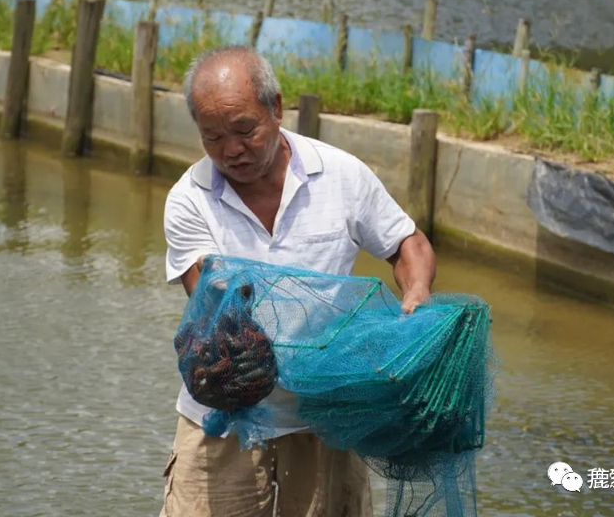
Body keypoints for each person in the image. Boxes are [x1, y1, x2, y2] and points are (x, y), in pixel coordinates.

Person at [161, 46, 437, 517]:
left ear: (276, 108)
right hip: (224, 418)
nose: (231, 149)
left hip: (326, 415)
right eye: (213, 137)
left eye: (245, 129)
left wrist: (416, 292)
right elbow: (207, 297)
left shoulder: (342, 175)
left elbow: (407, 243)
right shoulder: (189, 200)